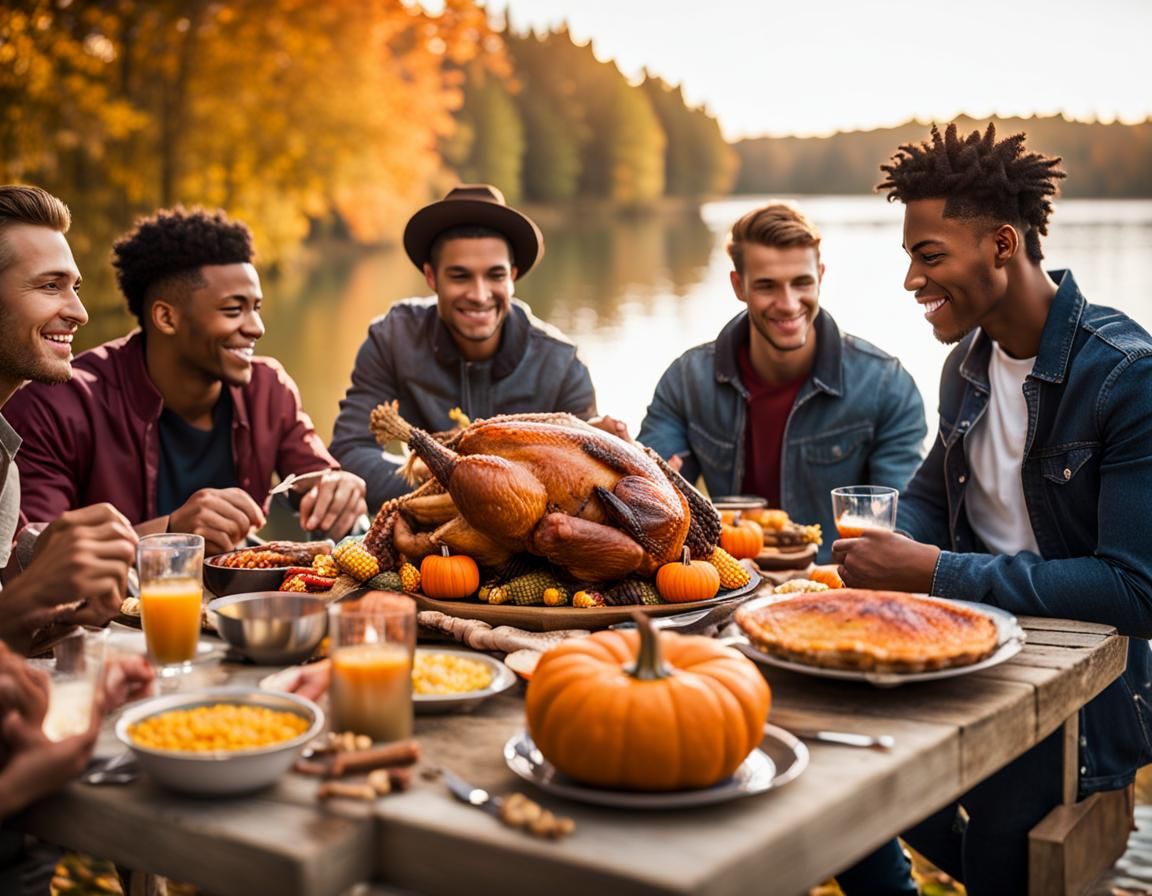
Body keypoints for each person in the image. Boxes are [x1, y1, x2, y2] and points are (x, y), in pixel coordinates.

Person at [832, 122, 1152, 894]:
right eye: (911, 255)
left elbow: (1135, 591)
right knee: (841, 775)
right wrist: (879, 551)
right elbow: (931, 500)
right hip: (968, 656)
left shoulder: (1127, 378)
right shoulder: (965, 366)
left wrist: (934, 571)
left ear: (1003, 245)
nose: (912, 279)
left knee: (997, 854)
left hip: (1072, 696)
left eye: (929, 255)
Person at [5, 207, 367, 556]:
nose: (256, 327)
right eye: (233, 310)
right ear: (166, 317)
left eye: (255, 308)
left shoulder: (268, 388)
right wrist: (170, 532)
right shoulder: (55, 403)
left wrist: (336, 485)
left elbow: (313, 473)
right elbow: (32, 559)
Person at [637, 202, 926, 562]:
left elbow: (903, 524)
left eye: (801, 282)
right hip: (724, 584)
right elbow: (646, 504)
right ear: (738, 285)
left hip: (834, 586)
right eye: (767, 286)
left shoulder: (886, 385)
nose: (788, 304)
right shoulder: (686, 381)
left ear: (820, 275)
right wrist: (637, 475)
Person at [330, 184, 597, 511]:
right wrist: (449, 476)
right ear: (431, 277)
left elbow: (584, 483)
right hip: (425, 535)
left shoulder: (562, 364)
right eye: (460, 276)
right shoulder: (392, 339)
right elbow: (351, 451)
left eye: (495, 275)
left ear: (512, 277)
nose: (480, 294)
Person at [0, 185, 138, 653]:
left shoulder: (5, 458)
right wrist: (25, 602)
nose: (78, 312)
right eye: (49, 286)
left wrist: (61, 604)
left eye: (74, 287)